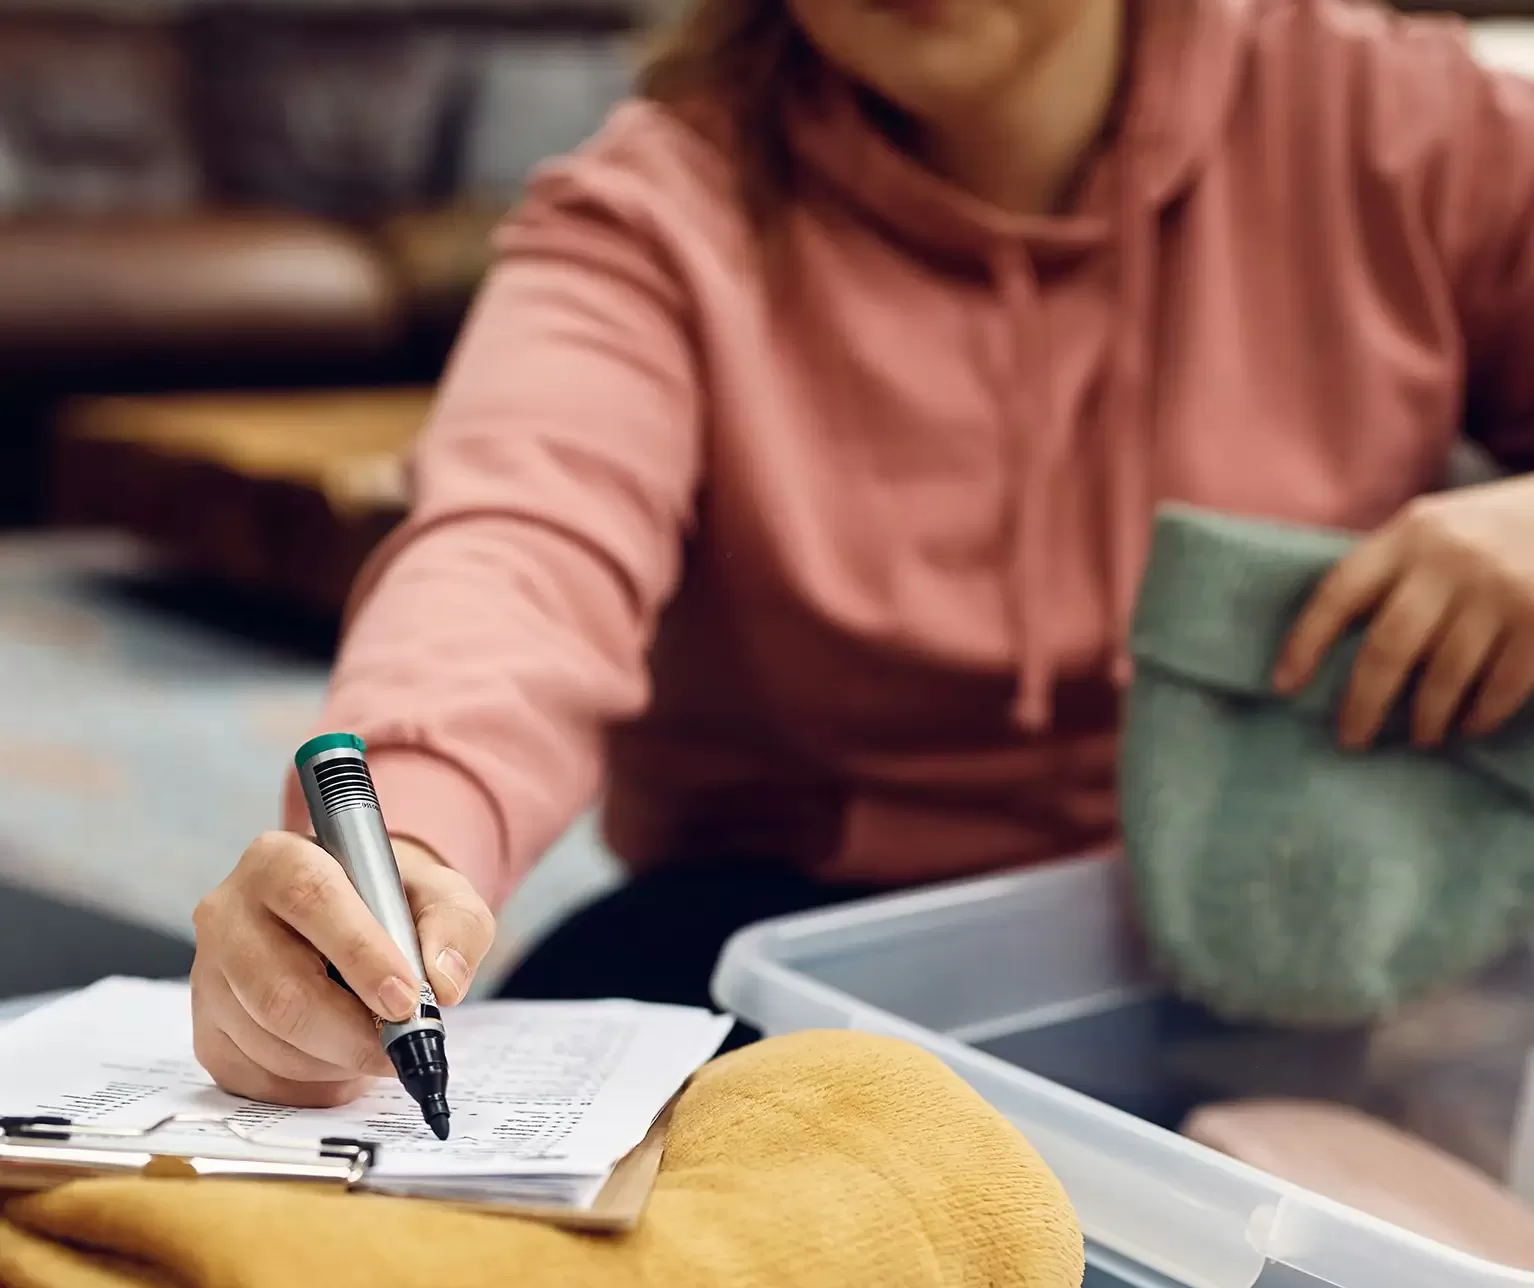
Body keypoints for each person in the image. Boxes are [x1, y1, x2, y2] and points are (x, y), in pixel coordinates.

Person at [192, 0, 1534, 1106]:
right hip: (789, 924)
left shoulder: (1398, 123)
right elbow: (514, 546)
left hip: (1290, 923)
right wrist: (411, 836)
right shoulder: (654, 212)